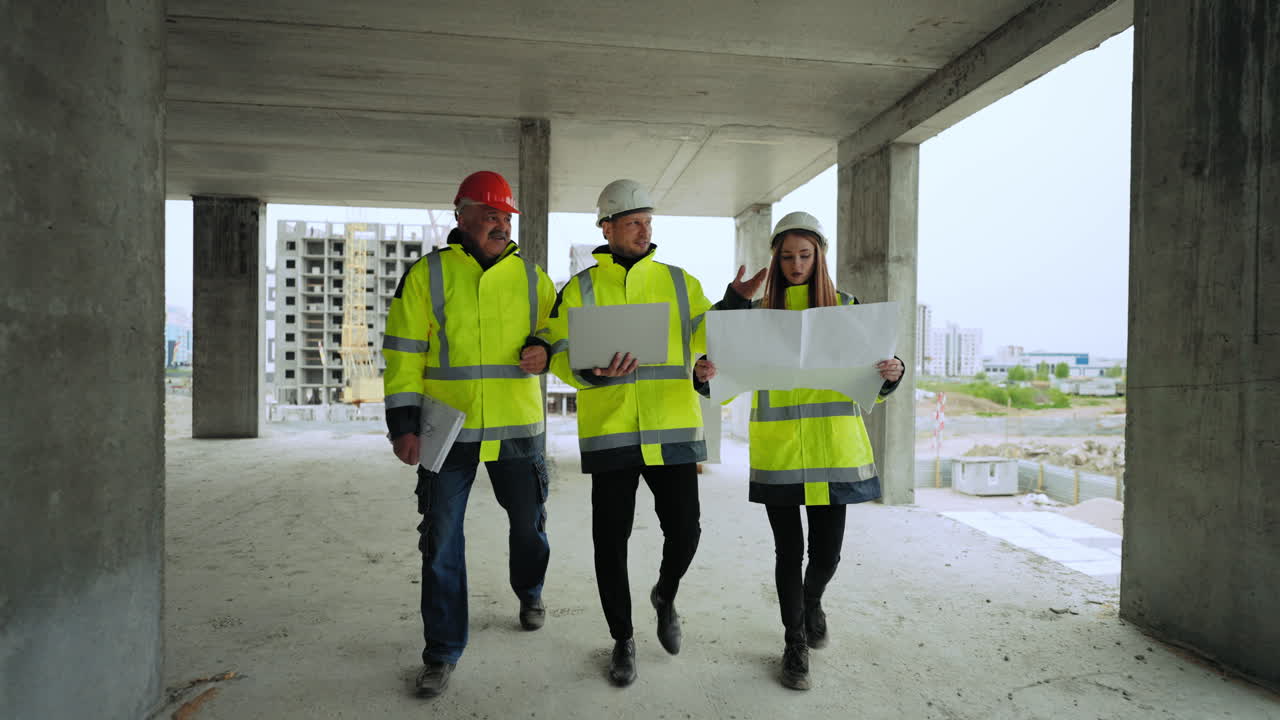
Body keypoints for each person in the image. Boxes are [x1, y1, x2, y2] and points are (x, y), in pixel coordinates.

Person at [545, 179, 758, 687]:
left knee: (686, 531)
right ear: (607, 228)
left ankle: (665, 594)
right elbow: (555, 350)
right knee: (609, 543)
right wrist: (589, 372)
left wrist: (734, 301)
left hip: (673, 430)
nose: (644, 231)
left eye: (647, 222)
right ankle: (622, 639)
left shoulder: (680, 282)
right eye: (633, 223)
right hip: (611, 433)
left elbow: (709, 333)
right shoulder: (579, 288)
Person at [382, 170, 557, 698]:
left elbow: (559, 331)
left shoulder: (532, 278)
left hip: (517, 428)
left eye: (505, 217)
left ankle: (529, 588)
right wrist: (403, 425)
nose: (500, 225)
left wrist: (547, 351)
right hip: (447, 430)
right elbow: (403, 353)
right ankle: (441, 652)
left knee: (529, 526)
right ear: (461, 216)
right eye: (489, 215)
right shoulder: (427, 275)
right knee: (440, 539)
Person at [717, 211, 904, 690]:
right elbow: (721, 364)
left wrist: (892, 375)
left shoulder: (848, 308)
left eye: (804, 255)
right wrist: (707, 370)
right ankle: (794, 641)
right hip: (779, 453)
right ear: (776, 259)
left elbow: (871, 381)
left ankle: (812, 600)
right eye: (787, 257)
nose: (796, 265)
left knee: (826, 556)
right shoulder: (758, 315)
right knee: (788, 552)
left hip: (836, 451)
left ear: (819, 257)